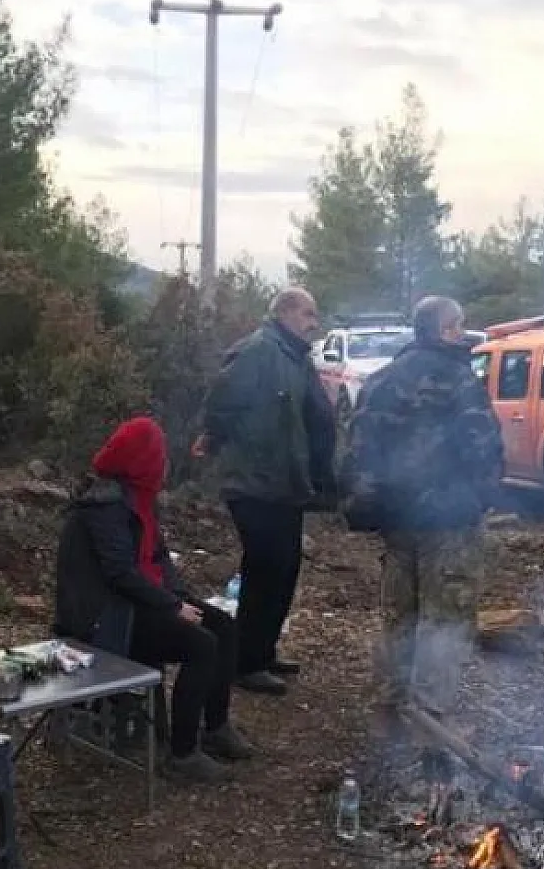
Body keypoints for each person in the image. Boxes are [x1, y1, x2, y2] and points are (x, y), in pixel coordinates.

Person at [339, 296, 504, 793]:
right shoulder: (458, 381)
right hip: (447, 522)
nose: (464, 332)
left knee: (401, 615)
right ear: (447, 329)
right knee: (445, 619)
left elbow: (357, 448)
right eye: (460, 325)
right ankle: (431, 725)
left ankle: (389, 711)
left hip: (397, 522)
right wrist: (481, 497)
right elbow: (484, 447)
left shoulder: (382, 381)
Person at [55, 417, 253, 785]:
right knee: (200, 644)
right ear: (142, 459)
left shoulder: (138, 499)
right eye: (159, 456)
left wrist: (177, 597)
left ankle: (216, 727)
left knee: (222, 625)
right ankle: (182, 754)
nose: (165, 464)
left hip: (135, 604)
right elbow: (119, 572)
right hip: (105, 619)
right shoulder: (105, 506)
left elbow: (158, 558)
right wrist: (171, 607)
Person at [199, 287, 337, 697]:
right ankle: (246, 662)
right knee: (265, 569)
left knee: (286, 567)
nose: (314, 322)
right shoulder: (259, 351)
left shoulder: (296, 356)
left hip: (286, 484)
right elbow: (220, 403)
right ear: (285, 314)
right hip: (255, 482)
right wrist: (228, 443)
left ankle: (263, 649)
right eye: (308, 314)